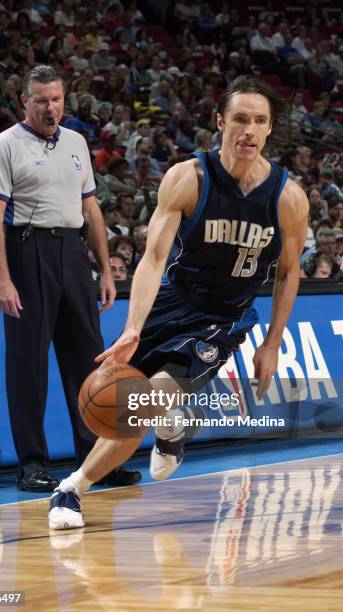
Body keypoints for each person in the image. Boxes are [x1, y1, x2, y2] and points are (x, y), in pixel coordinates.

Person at [48, 76, 309, 529]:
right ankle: (71, 489)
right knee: (127, 409)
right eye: (240, 119)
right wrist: (133, 327)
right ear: (220, 122)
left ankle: (135, 447)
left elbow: (289, 273)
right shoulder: (188, 178)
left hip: (222, 318)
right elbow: (152, 258)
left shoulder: (287, 198)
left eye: (260, 121)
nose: (249, 130)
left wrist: (272, 342)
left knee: (146, 401)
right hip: (174, 300)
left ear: (269, 130)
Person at [0, 65, 141, 493]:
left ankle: (96, 463)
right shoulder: (4, 145)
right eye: (41, 101)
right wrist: (2, 279)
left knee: (87, 363)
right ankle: (31, 463)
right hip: (27, 251)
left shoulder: (76, 143)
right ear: (25, 102)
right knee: (28, 365)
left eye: (56, 99)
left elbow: (91, 210)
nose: (51, 107)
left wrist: (105, 269)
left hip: (73, 253)